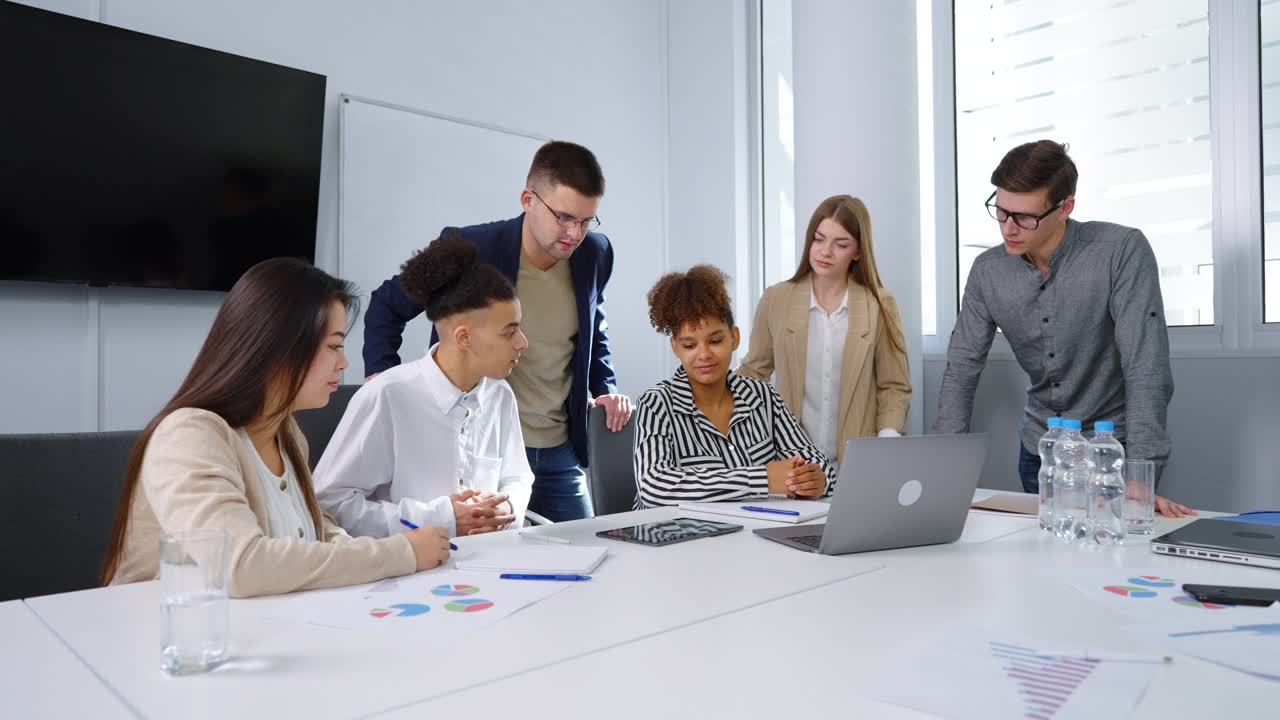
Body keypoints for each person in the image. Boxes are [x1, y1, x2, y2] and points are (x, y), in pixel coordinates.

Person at [102, 258, 451, 598]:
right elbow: (238, 565)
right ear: (280, 345)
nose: (343, 363)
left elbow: (314, 533)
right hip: (166, 643)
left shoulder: (287, 434)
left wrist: (373, 548)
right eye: (334, 346)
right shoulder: (190, 435)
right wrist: (398, 554)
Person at [362, 141, 631, 522]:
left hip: (558, 450)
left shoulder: (595, 253)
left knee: (588, 561)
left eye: (586, 221)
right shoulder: (470, 248)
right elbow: (386, 306)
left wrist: (605, 389)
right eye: (564, 217)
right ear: (528, 199)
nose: (574, 233)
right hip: (481, 452)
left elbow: (593, 324)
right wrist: (383, 380)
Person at [933, 140, 1195, 517]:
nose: (1009, 228)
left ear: (1065, 207)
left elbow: (1145, 364)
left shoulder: (1120, 251)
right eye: (1001, 211)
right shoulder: (987, 272)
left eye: (1024, 217)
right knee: (1048, 567)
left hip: (1113, 449)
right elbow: (962, 368)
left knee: (1112, 561)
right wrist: (945, 470)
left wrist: (1142, 471)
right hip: (1041, 448)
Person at [314, 234, 534, 538]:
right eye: (509, 332)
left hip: (489, 562)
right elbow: (330, 504)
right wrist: (442, 518)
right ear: (463, 338)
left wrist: (506, 510)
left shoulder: (500, 396)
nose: (523, 343)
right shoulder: (387, 396)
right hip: (406, 571)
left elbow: (517, 476)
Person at [633, 265, 835, 508]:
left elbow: (817, 463)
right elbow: (654, 487)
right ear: (675, 348)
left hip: (751, 533)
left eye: (715, 341)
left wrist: (816, 478)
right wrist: (763, 479)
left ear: (734, 338)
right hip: (679, 539)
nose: (704, 354)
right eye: (689, 345)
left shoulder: (763, 396)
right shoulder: (656, 404)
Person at [739, 195, 911, 467]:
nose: (825, 252)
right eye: (818, 239)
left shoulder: (880, 304)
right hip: (789, 462)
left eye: (840, 244)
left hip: (857, 463)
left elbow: (893, 386)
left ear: (857, 252)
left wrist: (885, 444)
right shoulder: (776, 299)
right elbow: (753, 373)